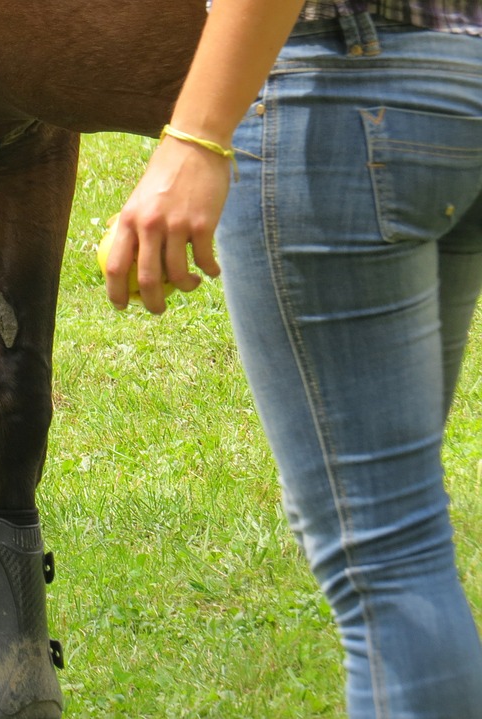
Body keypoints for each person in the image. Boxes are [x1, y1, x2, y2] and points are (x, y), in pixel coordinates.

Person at [103, 0, 482, 716]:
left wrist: (196, 135)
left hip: (345, 89)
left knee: (388, 566)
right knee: (407, 550)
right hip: (457, 78)